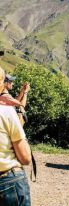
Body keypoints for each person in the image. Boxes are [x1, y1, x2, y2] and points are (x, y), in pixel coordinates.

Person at [0, 66, 31, 206]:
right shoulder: (5, 103)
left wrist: (22, 93)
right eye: (9, 81)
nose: (11, 84)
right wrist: (25, 93)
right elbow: (20, 106)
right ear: (3, 83)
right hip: (7, 179)